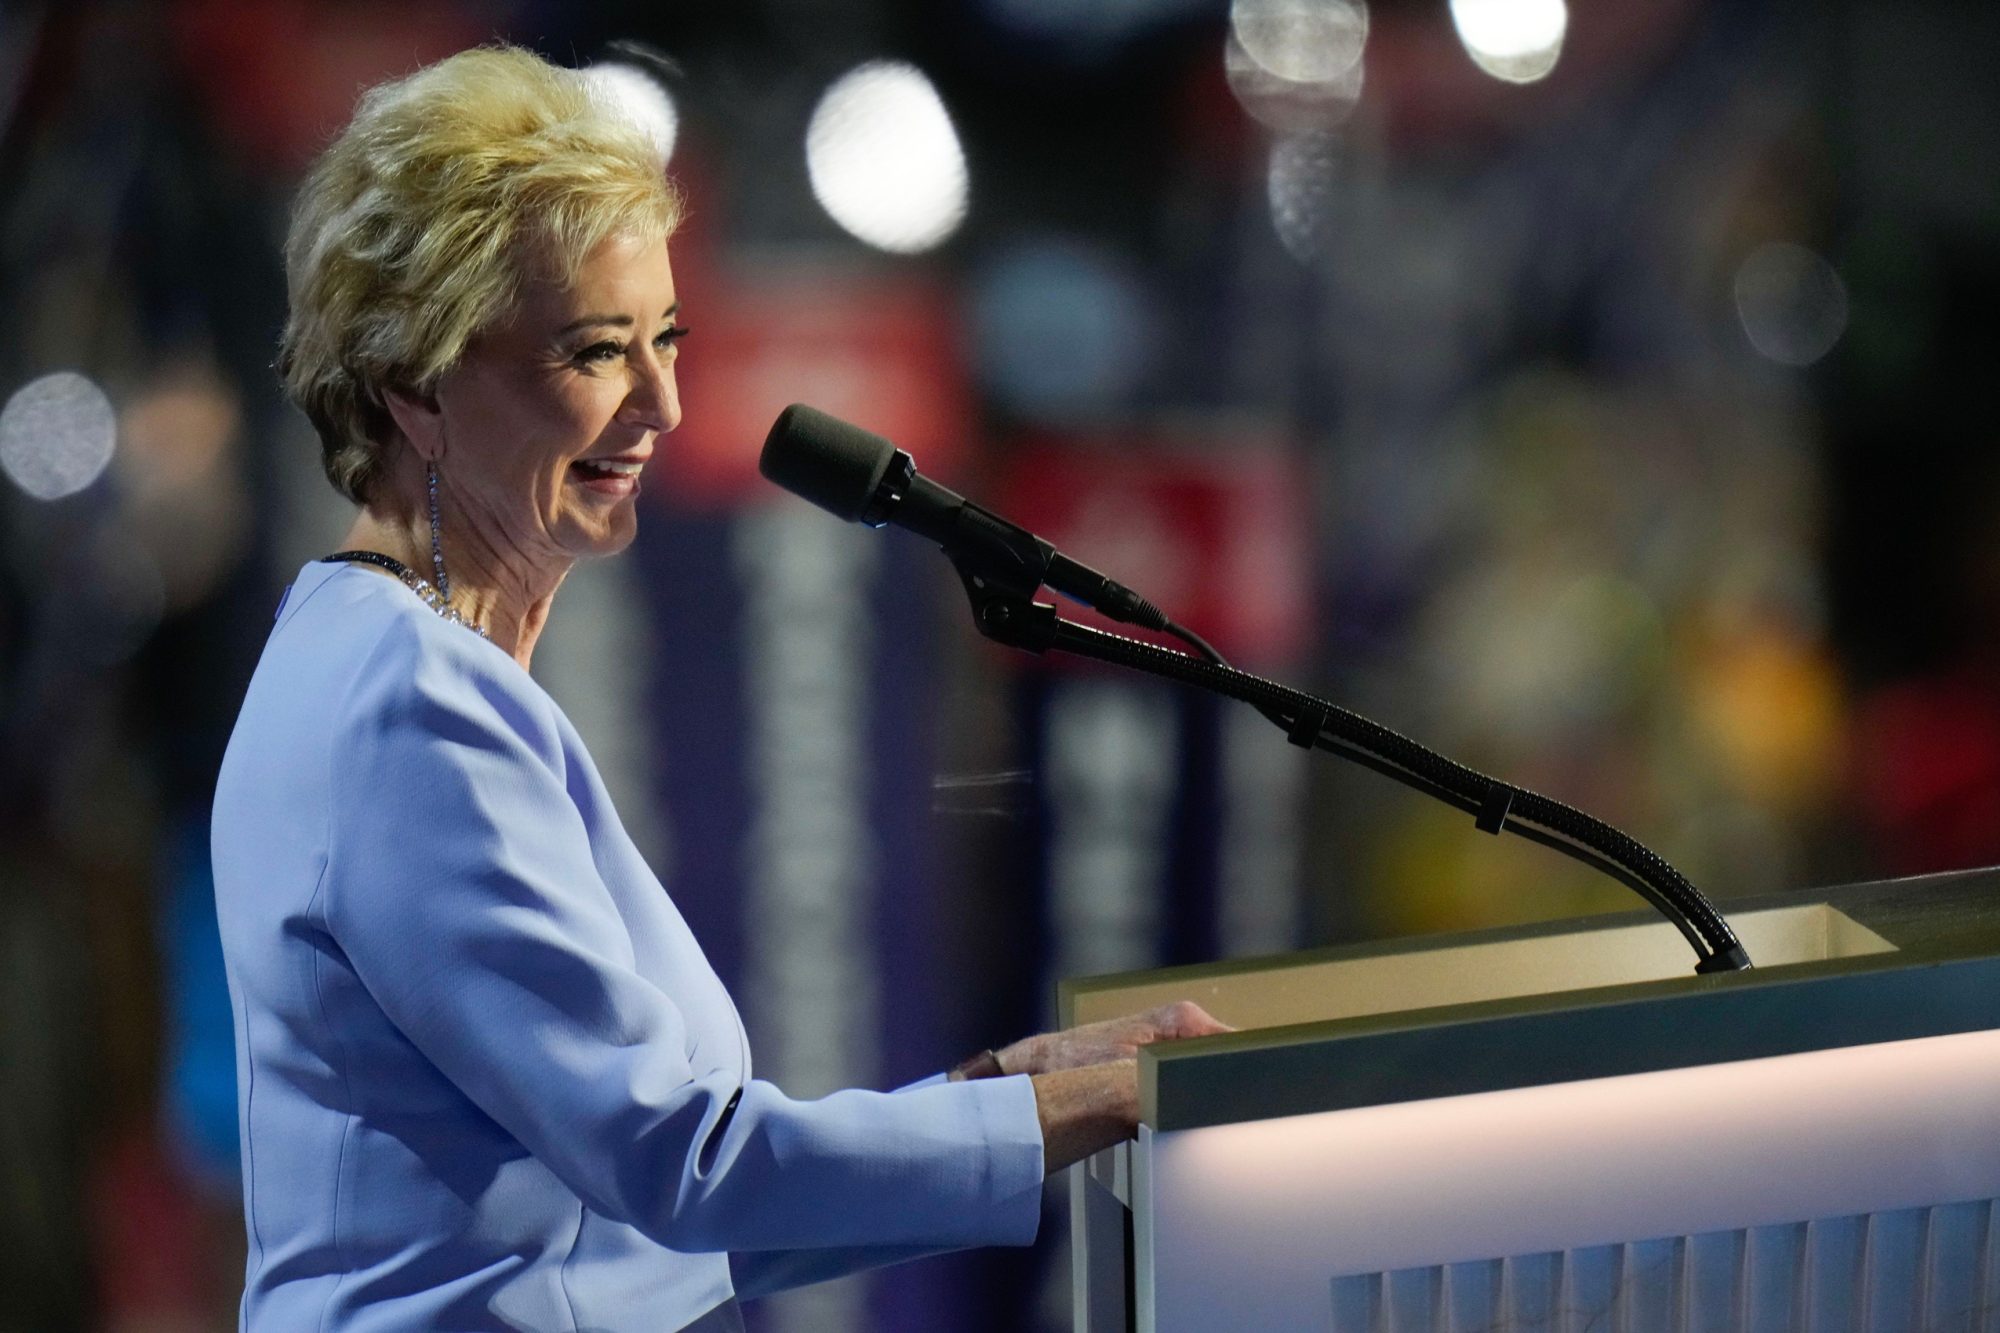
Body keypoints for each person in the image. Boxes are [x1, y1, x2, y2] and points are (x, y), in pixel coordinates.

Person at [210, 44, 1227, 1333]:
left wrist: (998, 1091)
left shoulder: (375, 659)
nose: (665, 406)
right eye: (595, 353)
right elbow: (683, 1171)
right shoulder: (412, 710)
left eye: (668, 341)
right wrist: (1086, 1104)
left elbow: (641, 1234)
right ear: (418, 384)